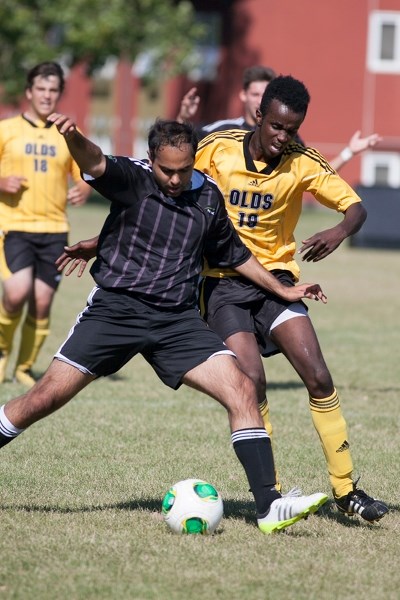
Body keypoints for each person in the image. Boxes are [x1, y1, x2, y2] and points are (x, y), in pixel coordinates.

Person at [0, 116, 329, 534]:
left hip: (176, 320)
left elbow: (233, 253)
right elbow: (96, 161)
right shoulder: (132, 178)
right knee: (43, 399)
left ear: (194, 160)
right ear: (151, 159)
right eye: (166, 170)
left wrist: (281, 291)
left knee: (242, 388)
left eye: (183, 169)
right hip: (116, 311)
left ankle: (268, 506)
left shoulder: (208, 196)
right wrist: (71, 135)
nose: (174, 179)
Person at [194, 75, 389, 523]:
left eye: (293, 129)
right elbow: (170, 176)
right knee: (252, 382)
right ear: (259, 117)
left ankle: (346, 491)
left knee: (319, 376)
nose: (284, 137)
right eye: (277, 127)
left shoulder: (302, 160)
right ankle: (273, 493)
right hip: (222, 283)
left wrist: (339, 231)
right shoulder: (218, 147)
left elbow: (355, 207)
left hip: (277, 281)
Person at [0, 61, 91, 387]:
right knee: (16, 293)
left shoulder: (68, 132)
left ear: (59, 94)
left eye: (53, 90)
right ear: (29, 92)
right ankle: (2, 354)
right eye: (41, 88)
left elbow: (87, 170)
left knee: (41, 301)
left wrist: (83, 187)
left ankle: (24, 367)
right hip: (14, 226)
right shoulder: (6, 129)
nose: (46, 95)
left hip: (54, 229)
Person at [177, 65, 380, 169]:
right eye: (255, 94)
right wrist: (183, 117)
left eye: (264, 95)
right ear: (243, 95)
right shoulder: (221, 131)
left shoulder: (286, 139)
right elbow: (178, 151)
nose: (259, 100)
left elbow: (317, 175)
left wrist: (349, 152)